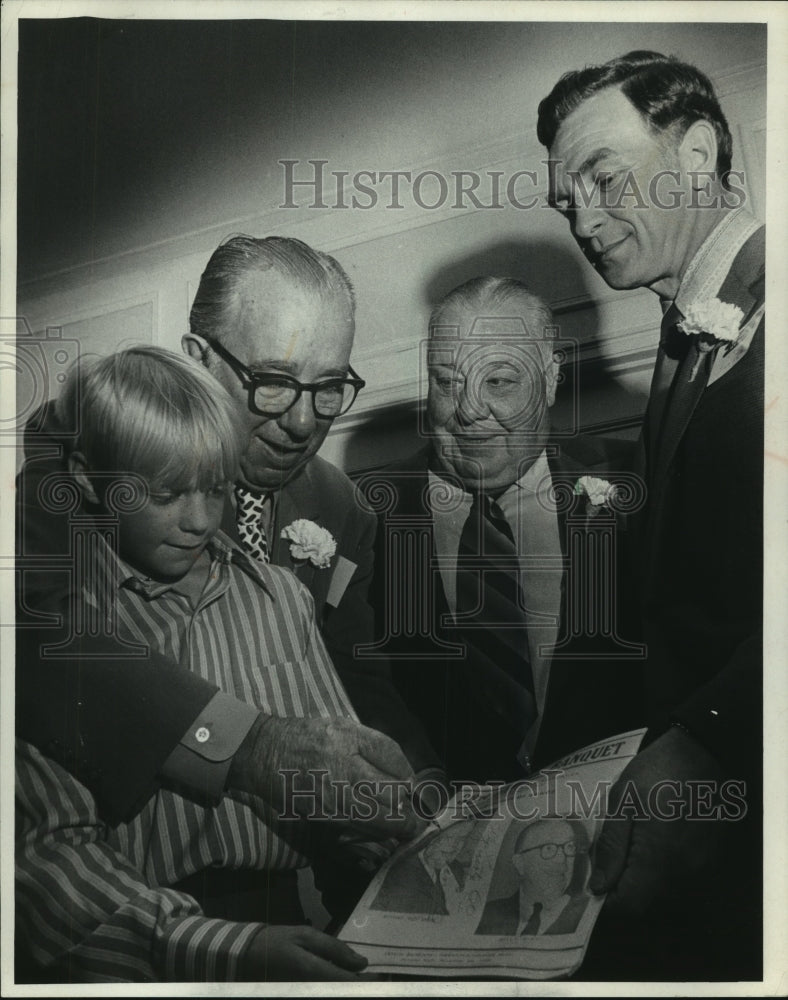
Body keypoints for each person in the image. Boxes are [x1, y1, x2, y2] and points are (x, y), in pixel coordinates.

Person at [16, 235, 440, 828]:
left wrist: (421, 782)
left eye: (327, 388)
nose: (300, 422)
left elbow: (357, 679)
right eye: (272, 379)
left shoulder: (339, 505)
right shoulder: (88, 440)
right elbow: (36, 632)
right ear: (198, 356)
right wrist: (249, 745)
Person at [15, 345, 385, 982]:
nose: (196, 520)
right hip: (136, 951)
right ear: (85, 474)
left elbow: (336, 793)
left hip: (294, 926)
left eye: (215, 489)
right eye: (164, 494)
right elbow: (46, 857)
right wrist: (212, 946)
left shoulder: (281, 597)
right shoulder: (62, 631)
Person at [537, 50, 763, 978]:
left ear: (698, 151)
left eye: (603, 177)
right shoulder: (688, 335)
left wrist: (711, 738)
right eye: (567, 201)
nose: (585, 220)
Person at [359, 276, 642, 786]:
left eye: (499, 382)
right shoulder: (367, 515)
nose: (469, 410)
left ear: (551, 378)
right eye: (447, 382)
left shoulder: (633, 485)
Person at [475, 819, 590, 936]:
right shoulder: (486, 914)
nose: (561, 860)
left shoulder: (589, 913)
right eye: (548, 848)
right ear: (520, 863)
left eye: (570, 847)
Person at [370, 820, 475, 916]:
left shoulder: (454, 867)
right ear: (434, 837)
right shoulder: (402, 876)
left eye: (462, 840)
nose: (455, 847)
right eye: (450, 838)